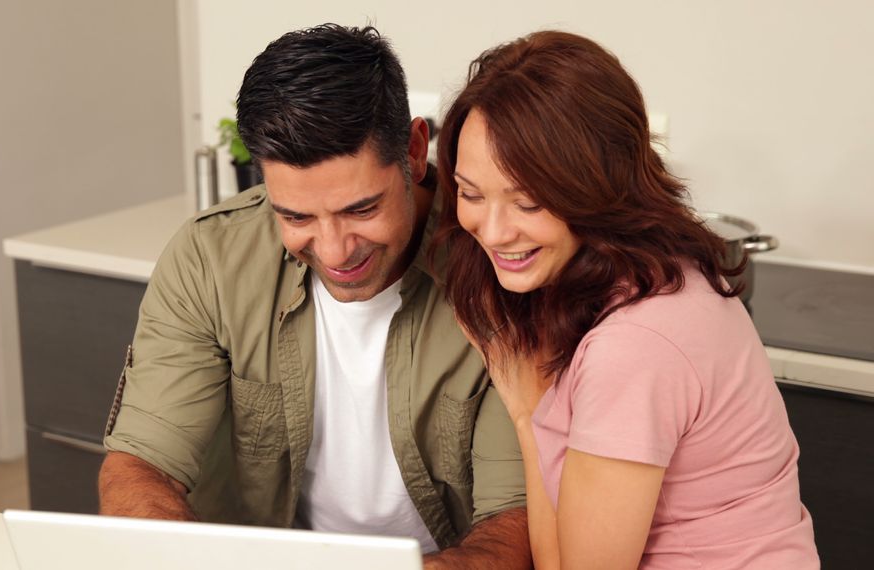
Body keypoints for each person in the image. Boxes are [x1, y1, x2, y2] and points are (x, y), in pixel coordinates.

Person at [99, 24, 531, 567]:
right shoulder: (209, 259)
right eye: (296, 216)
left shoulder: (502, 264)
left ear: (415, 151)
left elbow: (513, 526)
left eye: (361, 209)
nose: (334, 250)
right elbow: (140, 465)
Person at [434, 31, 819, 569]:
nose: (493, 231)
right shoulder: (661, 272)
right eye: (471, 194)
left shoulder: (635, 344)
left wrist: (526, 413)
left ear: (594, 187)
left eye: (527, 202)